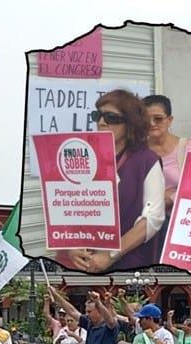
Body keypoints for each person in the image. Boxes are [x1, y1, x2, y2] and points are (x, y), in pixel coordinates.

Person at [60, 89, 166, 272]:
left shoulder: (147, 161)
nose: (102, 122)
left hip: (130, 265)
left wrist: (110, 255)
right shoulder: (84, 157)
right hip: (84, 263)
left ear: (130, 124)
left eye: (111, 117)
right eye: (98, 116)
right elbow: (67, 207)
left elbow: (153, 218)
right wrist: (71, 247)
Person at [142, 95, 191, 213]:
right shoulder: (138, 151)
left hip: (179, 219)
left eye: (158, 119)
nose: (152, 124)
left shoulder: (186, 147)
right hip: (147, 221)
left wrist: (170, 199)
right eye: (146, 119)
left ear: (169, 120)